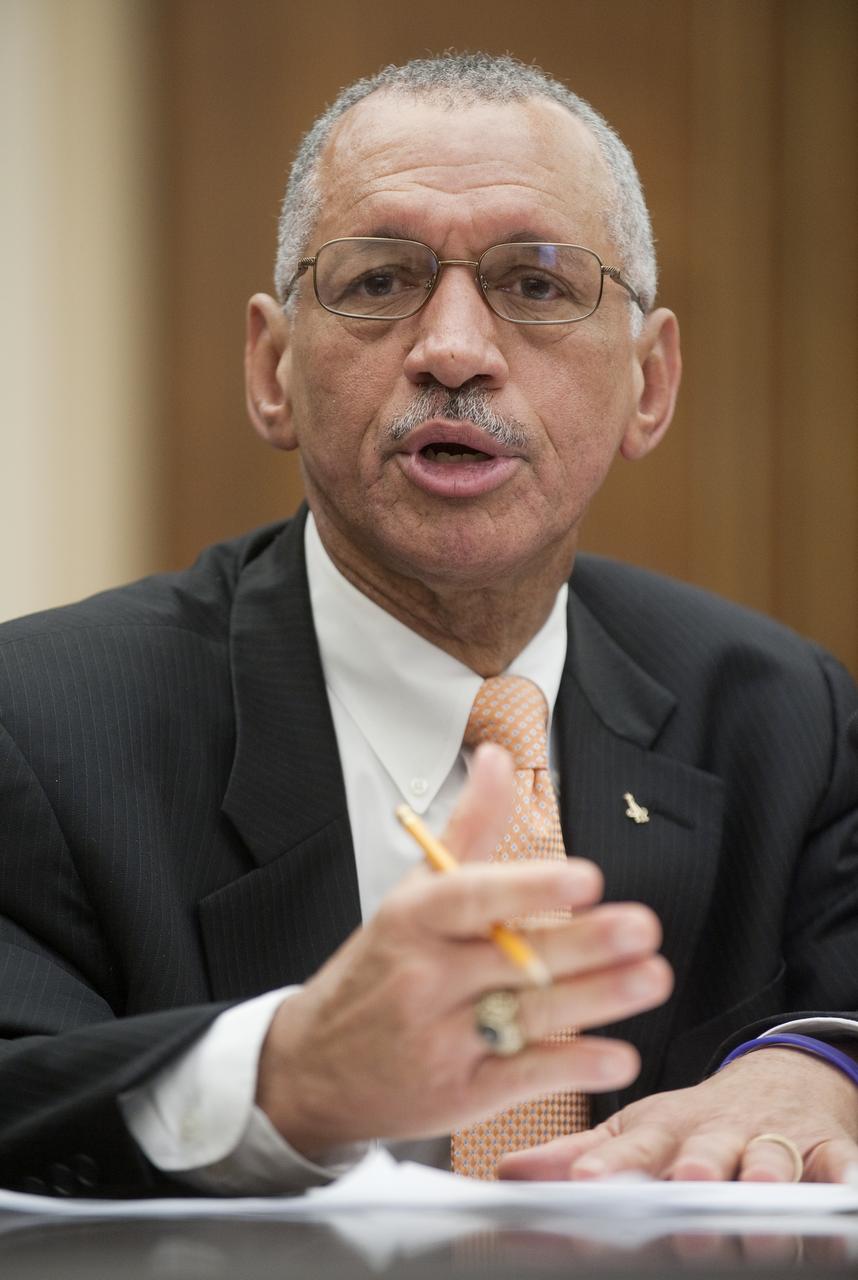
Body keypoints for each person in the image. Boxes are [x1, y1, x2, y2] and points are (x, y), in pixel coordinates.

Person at [1, 52, 856, 1200]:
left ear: (649, 384)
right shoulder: (43, 728)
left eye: (539, 283)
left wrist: (819, 1066)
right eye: (378, 279)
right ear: (273, 368)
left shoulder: (784, 716)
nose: (453, 347)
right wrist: (281, 1078)